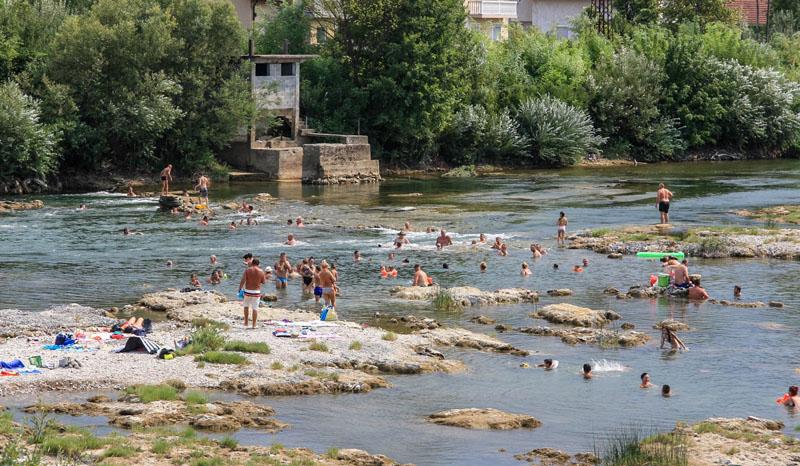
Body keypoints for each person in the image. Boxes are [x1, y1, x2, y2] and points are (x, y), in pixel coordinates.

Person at [238, 258, 267, 329]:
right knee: (255, 308)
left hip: (247, 291)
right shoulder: (261, 271)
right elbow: (263, 282)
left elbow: (243, 280)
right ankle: (254, 325)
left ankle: (246, 323)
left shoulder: (247, 270)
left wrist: (240, 288)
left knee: (246, 306)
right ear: (258, 264)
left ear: (252, 263)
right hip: (256, 292)